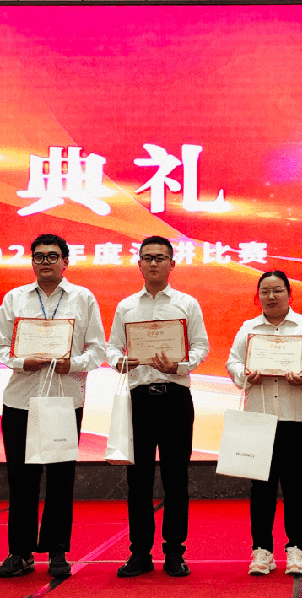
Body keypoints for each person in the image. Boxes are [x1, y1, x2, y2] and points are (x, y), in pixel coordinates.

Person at [0, 233, 106, 579]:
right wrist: (22, 361)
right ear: (32, 262)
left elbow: (97, 349)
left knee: (60, 480)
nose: (45, 262)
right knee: (21, 480)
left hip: (63, 399)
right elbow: (0, 347)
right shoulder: (15, 298)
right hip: (20, 400)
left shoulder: (83, 298)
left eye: (52, 256)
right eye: (39, 256)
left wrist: (74, 364)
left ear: (65, 262)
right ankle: (20, 552)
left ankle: (57, 551)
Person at [106, 235, 210, 578]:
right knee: (138, 480)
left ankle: (174, 552)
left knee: (176, 479)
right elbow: (112, 348)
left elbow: (201, 347)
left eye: (160, 257)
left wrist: (178, 366)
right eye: (147, 257)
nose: (153, 263)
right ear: (139, 264)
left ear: (172, 264)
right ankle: (139, 553)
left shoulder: (186, 304)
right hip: (139, 400)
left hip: (175, 397)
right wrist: (123, 361)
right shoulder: (126, 306)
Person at [226, 270, 302, 577]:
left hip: (296, 417)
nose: (271, 296)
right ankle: (262, 551)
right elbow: (232, 362)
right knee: (261, 487)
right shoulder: (249, 328)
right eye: (265, 291)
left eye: (277, 290)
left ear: (289, 294)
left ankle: (296, 549)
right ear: (258, 296)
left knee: (296, 487)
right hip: (258, 417)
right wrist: (245, 374)